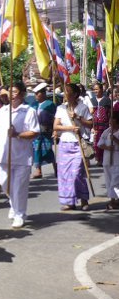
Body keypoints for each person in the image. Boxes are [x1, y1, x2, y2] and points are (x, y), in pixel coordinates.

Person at [0, 82, 39, 228]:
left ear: (23, 94)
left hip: (22, 156)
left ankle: (20, 214)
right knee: (4, 183)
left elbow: (34, 132)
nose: (11, 95)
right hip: (4, 155)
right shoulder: (2, 111)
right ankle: (14, 204)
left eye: (15, 92)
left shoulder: (29, 111)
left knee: (19, 187)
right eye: (9, 92)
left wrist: (17, 134)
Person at [54, 83, 93, 211]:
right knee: (65, 174)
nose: (66, 94)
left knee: (77, 173)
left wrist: (78, 118)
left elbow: (90, 124)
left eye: (68, 92)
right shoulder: (61, 108)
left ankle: (84, 199)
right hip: (65, 143)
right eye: (65, 92)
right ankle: (69, 202)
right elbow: (56, 126)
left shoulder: (83, 107)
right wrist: (70, 127)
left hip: (78, 144)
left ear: (75, 94)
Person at [30, 83, 56, 179]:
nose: (36, 96)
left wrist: (55, 130)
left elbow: (55, 118)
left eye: (38, 93)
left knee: (48, 150)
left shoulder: (50, 104)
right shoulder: (33, 105)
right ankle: (38, 170)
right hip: (36, 132)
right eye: (35, 94)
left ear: (43, 93)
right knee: (37, 151)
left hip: (46, 131)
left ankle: (56, 168)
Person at [97, 110, 119, 210]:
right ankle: (113, 200)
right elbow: (100, 144)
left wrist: (115, 140)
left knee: (116, 181)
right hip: (107, 160)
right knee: (109, 180)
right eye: (109, 120)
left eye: (112, 120)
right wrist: (107, 147)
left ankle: (113, 200)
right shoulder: (107, 131)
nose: (110, 122)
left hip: (117, 160)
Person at [90, 82, 112, 165]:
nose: (95, 91)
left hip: (105, 126)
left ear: (102, 90)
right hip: (95, 126)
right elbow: (90, 114)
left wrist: (110, 123)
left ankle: (103, 159)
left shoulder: (107, 100)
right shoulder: (92, 100)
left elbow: (110, 113)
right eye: (94, 89)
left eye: (97, 89)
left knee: (104, 142)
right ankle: (98, 158)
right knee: (96, 144)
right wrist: (91, 126)